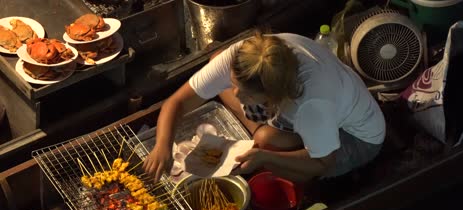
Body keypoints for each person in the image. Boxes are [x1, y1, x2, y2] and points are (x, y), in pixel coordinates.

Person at [143, 30, 385, 184]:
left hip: (355, 138)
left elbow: (323, 162)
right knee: (216, 61)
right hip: (321, 106)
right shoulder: (251, 54)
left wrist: (265, 158)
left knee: (268, 142)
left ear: (273, 95)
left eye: (245, 93)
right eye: (234, 84)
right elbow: (177, 101)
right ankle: (260, 131)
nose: (235, 94)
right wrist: (163, 145)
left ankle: (263, 138)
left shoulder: (311, 106)